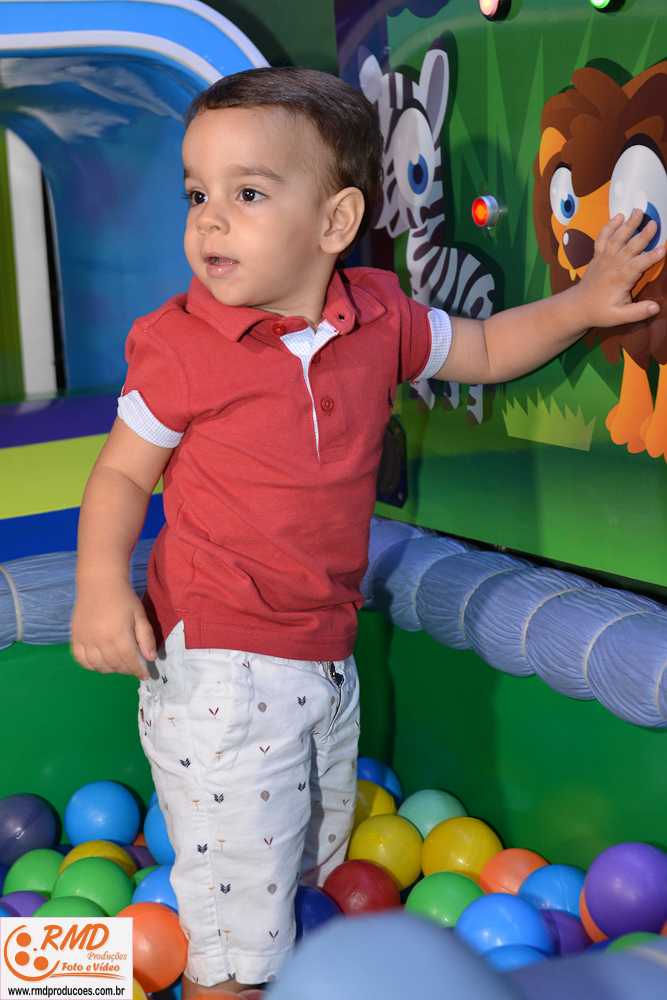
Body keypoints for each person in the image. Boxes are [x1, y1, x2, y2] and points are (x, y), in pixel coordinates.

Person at [71, 66, 664, 995]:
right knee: (240, 933)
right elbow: (119, 472)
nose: (210, 220)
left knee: (308, 868)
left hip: (323, 653)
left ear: (336, 222)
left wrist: (583, 304)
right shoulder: (181, 344)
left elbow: (482, 348)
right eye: (195, 194)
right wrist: (101, 586)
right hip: (221, 668)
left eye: (246, 194)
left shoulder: (379, 316)